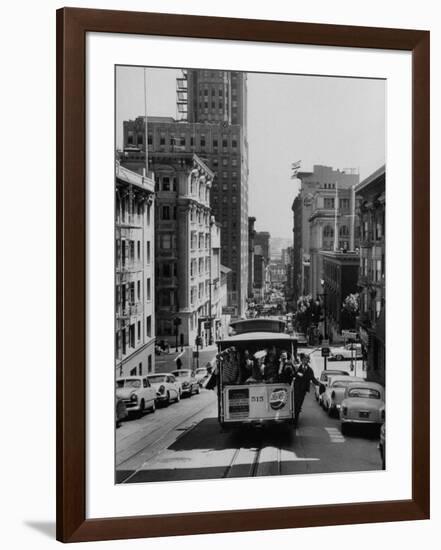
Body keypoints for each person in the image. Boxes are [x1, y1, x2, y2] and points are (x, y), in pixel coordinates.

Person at [293, 354, 319, 426]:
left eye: (307, 359)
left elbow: (313, 379)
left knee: (298, 406)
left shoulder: (310, 370)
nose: (305, 361)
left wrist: (319, 384)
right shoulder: (297, 367)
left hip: (303, 390)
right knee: (295, 405)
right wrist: (298, 374)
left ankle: (295, 421)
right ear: (301, 360)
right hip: (296, 389)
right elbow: (293, 374)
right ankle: (295, 421)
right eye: (304, 359)